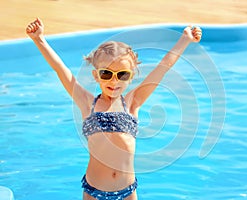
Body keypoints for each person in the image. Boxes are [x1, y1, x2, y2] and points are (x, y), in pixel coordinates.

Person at [26, 18, 202, 200]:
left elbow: (164, 67)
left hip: (127, 192)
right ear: (96, 75)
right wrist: (39, 39)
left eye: (122, 75)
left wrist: (185, 39)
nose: (114, 81)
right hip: (94, 192)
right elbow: (60, 69)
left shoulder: (133, 103)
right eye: (106, 73)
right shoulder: (87, 103)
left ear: (131, 77)